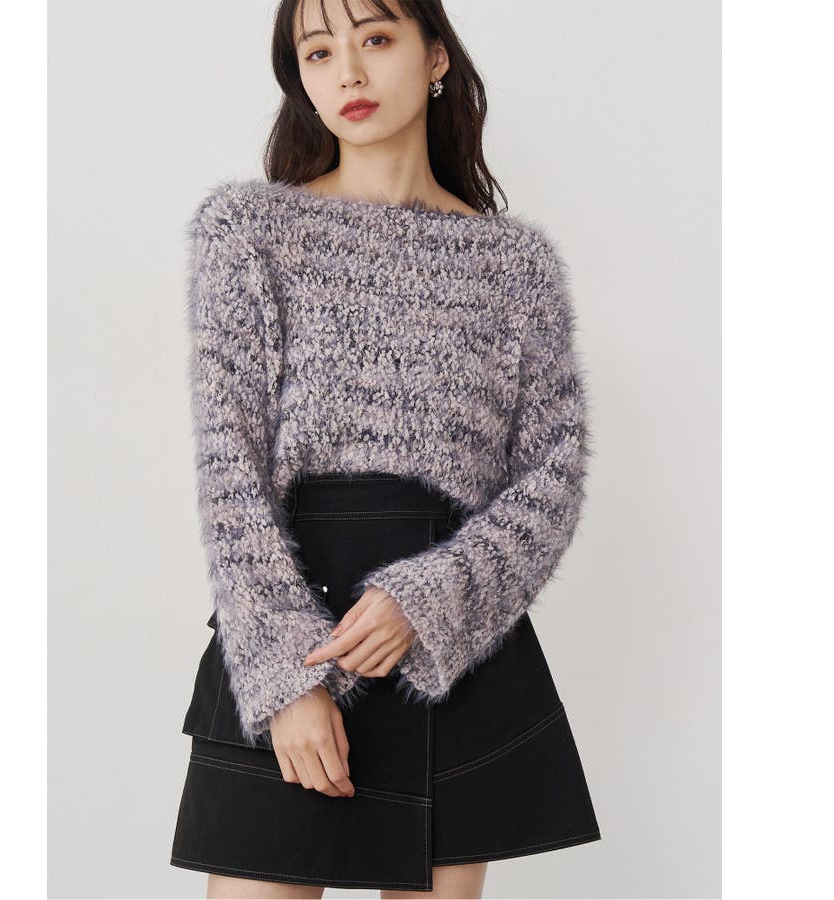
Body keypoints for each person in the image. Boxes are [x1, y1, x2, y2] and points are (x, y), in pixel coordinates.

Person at [170, 0, 601, 897]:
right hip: (293, 628)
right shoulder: (248, 233)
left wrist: (432, 598)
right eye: (318, 52)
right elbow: (228, 470)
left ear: (435, 55)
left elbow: (553, 474)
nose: (350, 73)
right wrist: (285, 674)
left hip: (452, 652)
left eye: (375, 38)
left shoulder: (514, 268)